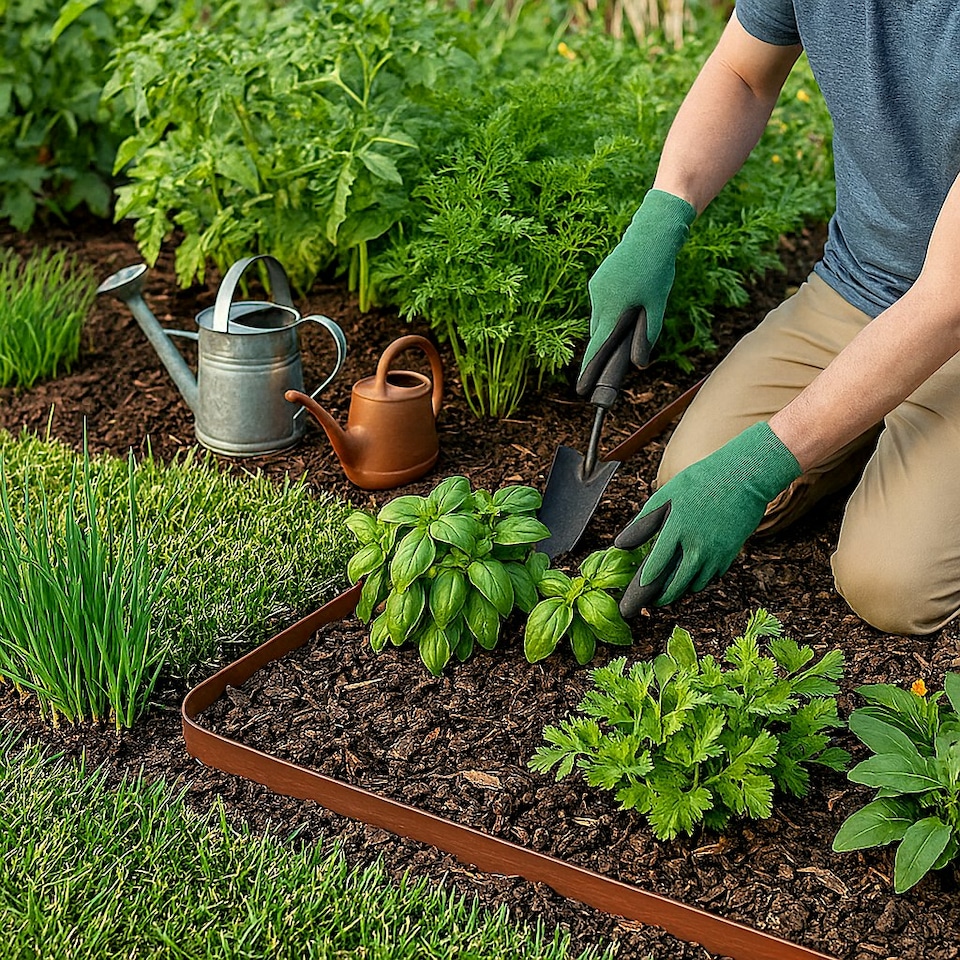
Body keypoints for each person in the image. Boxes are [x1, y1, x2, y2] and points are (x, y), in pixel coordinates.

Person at [577, 2, 960, 636]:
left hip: (951, 308)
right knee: (686, 478)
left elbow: (945, 301)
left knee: (892, 587)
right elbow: (742, 71)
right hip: (860, 285)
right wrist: (661, 218)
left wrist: (761, 466)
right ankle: (861, 438)